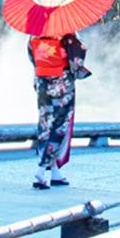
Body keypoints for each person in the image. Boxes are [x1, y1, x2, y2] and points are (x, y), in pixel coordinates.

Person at [28, 31, 89, 190]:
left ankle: (55, 172)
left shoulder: (35, 34)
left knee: (45, 124)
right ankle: (41, 170)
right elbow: (76, 61)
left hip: (42, 81)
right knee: (60, 126)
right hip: (62, 83)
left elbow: (32, 56)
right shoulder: (67, 33)